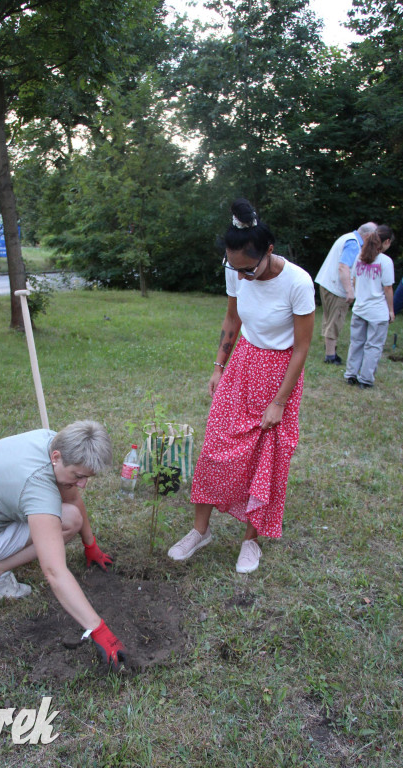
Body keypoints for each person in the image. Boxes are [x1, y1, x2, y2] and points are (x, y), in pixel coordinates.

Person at [168, 198, 315, 574]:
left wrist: (279, 402)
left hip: (279, 373)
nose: (242, 276)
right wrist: (219, 365)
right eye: (235, 269)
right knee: (217, 446)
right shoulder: (236, 268)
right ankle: (200, 531)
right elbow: (232, 317)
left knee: (266, 457)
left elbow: (301, 348)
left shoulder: (298, 282)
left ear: (268, 250)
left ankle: (251, 541)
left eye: (248, 270)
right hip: (243, 364)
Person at [0, 420, 126, 671]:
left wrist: (90, 545)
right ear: (57, 457)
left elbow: (71, 495)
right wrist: (98, 629)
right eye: (79, 476)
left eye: (87, 477)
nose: (83, 484)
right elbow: (54, 571)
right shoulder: (38, 489)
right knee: (68, 521)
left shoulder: (51, 440)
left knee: (69, 511)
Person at [315, 221, 377, 364]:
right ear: (367, 236)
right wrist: (350, 290)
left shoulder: (348, 237)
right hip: (336, 287)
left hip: (327, 283)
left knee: (329, 318)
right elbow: (344, 267)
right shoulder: (353, 244)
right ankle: (330, 356)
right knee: (335, 320)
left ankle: (329, 348)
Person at [344, 225, 395, 389]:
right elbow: (387, 288)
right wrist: (391, 310)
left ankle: (351, 374)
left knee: (356, 343)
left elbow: (354, 280)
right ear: (386, 242)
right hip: (377, 312)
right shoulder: (385, 262)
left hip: (359, 309)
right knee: (373, 346)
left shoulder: (359, 257)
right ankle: (365, 379)